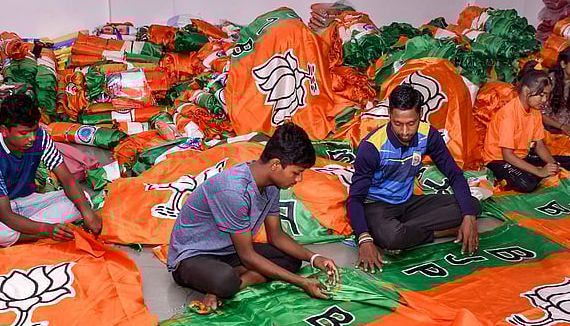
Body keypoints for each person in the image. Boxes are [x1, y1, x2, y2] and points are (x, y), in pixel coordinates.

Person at [167, 123, 339, 311]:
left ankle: (235, 282)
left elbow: (276, 236)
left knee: (292, 259)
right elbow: (247, 256)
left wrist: (314, 258)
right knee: (225, 280)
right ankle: (230, 283)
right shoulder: (234, 191)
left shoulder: (271, 186)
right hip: (192, 257)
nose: (298, 179)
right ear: (275, 165)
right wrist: (302, 283)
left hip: (229, 251)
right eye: (296, 173)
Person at [348, 85, 481, 274]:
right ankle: (437, 232)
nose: (404, 131)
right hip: (376, 206)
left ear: (421, 115)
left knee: (473, 205)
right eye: (398, 123)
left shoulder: (429, 135)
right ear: (389, 115)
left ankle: (401, 234)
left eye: (411, 123)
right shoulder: (371, 147)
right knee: (392, 236)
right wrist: (364, 238)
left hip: (408, 203)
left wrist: (469, 216)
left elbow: (455, 175)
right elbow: (354, 199)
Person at [0, 93, 102, 246]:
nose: (31, 138)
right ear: (4, 131)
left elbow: (67, 179)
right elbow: (5, 215)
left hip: (28, 204)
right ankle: (34, 233)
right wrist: (47, 229)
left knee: (82, 199)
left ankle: (26, 232)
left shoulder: (40, 137)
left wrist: (88, 214)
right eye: (23, 133)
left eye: (34, 130)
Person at [484, 62, 570, 194]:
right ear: (526, 91)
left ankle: (535, 173)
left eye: (547, 95)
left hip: (522, 156)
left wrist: (555, 166)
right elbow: (507, 156)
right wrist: (539, 171)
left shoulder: (535, 112)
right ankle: (535, 174)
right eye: (541, 95)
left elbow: (539, 146)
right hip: (499, 160)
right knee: (526, 184)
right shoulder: (509, 115)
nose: (544, 100)